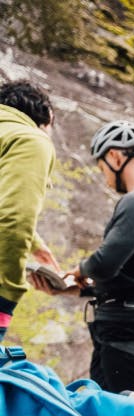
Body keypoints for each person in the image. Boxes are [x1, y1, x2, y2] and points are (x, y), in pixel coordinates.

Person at [32, 121, 134, 394]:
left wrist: (75, 272)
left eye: (102, 168)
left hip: (125, 333)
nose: (105, 178)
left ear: (115, 156)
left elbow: (104, 263)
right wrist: (70, 290)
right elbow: (133, 279)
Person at [0, 79, 58, 343]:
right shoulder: (31, 139)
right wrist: (7, 292)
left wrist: (37, 245)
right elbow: (13, 218)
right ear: (46, 118)